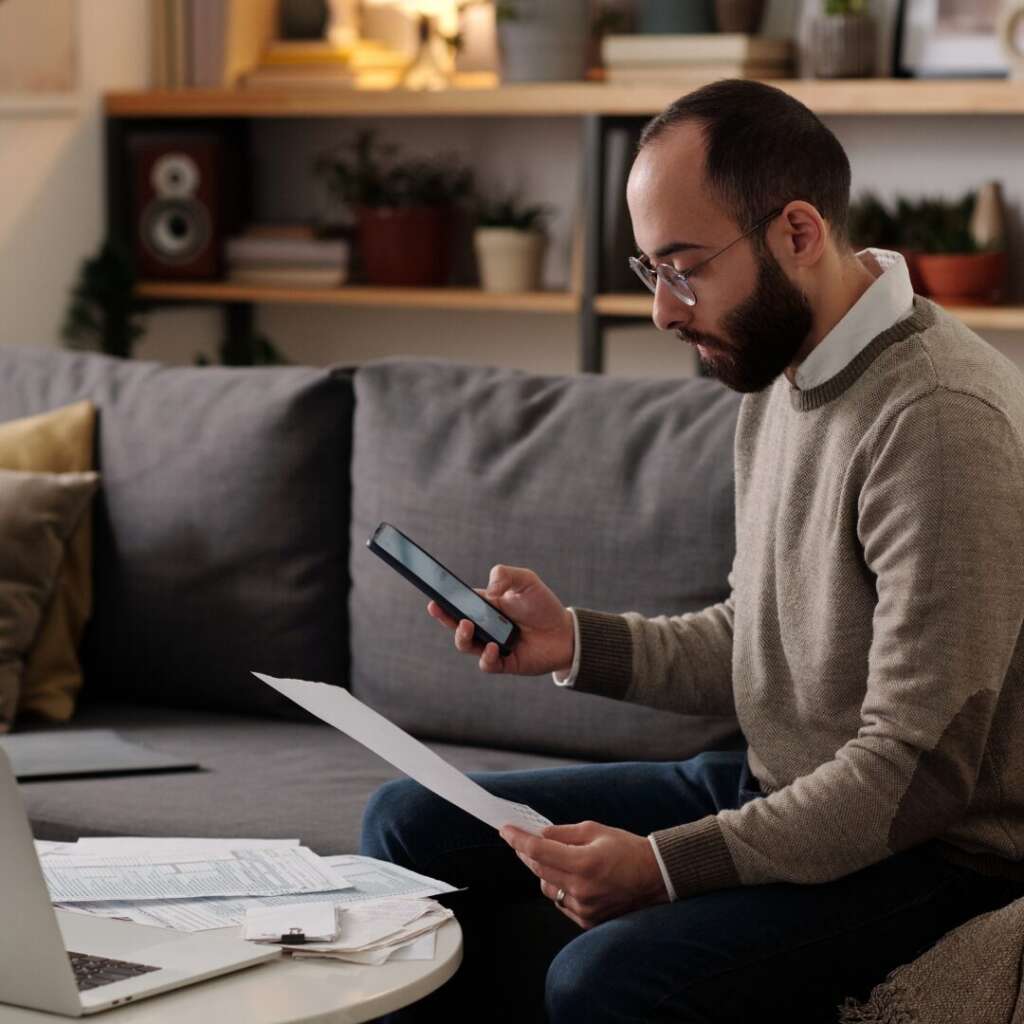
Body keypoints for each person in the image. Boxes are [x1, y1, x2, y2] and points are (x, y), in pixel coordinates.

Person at [360, 79, 1024, 1022]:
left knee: (601, 979)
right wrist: (573, 641)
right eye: (651, 271)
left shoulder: (940, 423)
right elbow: (762, 637)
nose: (665, 312)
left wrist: (665, 867)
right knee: (410, 823)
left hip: (931, 851)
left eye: (683, 268)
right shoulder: (784, 366)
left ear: (798, 232)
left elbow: (915, 777)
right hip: (782, 784)